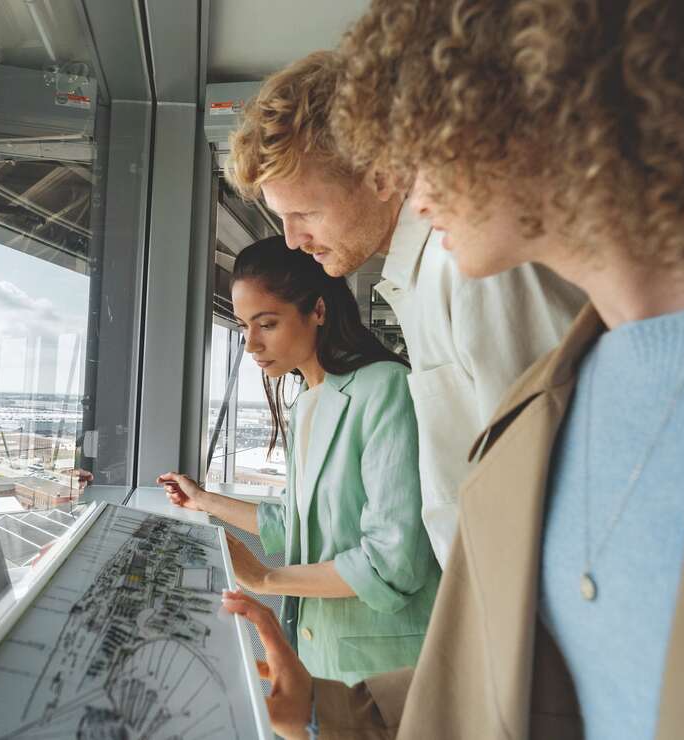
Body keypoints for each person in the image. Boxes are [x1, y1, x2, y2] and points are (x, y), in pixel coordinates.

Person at [224, 1, 684, 737]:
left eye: (427, 141)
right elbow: (552, 657)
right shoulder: (563, 386)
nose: (408, 186)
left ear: (546, 114)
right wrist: (333, 711)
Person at [226, 51, 584, 567]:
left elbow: (561, 473)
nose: (292, 239)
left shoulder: (471, 268)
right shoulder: (420, 278)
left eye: (305, 212)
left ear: (381, 175)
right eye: (283, 218)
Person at [159, 236, 438, 685]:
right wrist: (204, 501)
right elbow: (295, 522)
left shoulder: (386, 387)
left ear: (318, 311)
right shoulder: (306, 401)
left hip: (385, 671)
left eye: (267, 324)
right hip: (317, 654)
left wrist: (264, 579)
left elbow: (391, 563)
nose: (251, 344)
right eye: (244, 326)